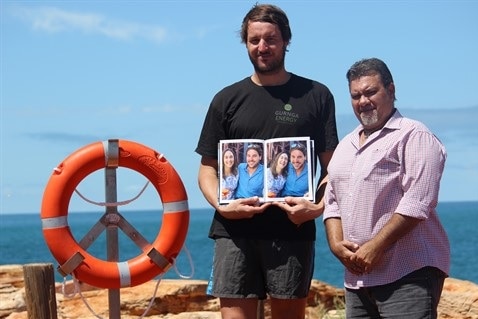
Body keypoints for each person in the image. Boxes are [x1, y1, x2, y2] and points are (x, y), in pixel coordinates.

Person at [195, 4, 338, 319]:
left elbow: (333, 169)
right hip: (233, 232)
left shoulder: (317, 95)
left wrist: (316, 208)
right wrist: (222, 205)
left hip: (291, 231)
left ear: (286, 40)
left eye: (270, 39)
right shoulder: (225, 100)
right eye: (254, 40)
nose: (262, 47)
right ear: (245, 43)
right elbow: (207, 169)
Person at [323, 57, 450, 319]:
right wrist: (336, 244)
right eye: (356, 95)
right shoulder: (346, 145)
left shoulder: (414, 135)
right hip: (358, 279)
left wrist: (375, 246)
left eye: (371, 92)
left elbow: (418, 201)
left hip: (408, 274)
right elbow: (332, 199)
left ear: (391, 90)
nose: (363, 101)